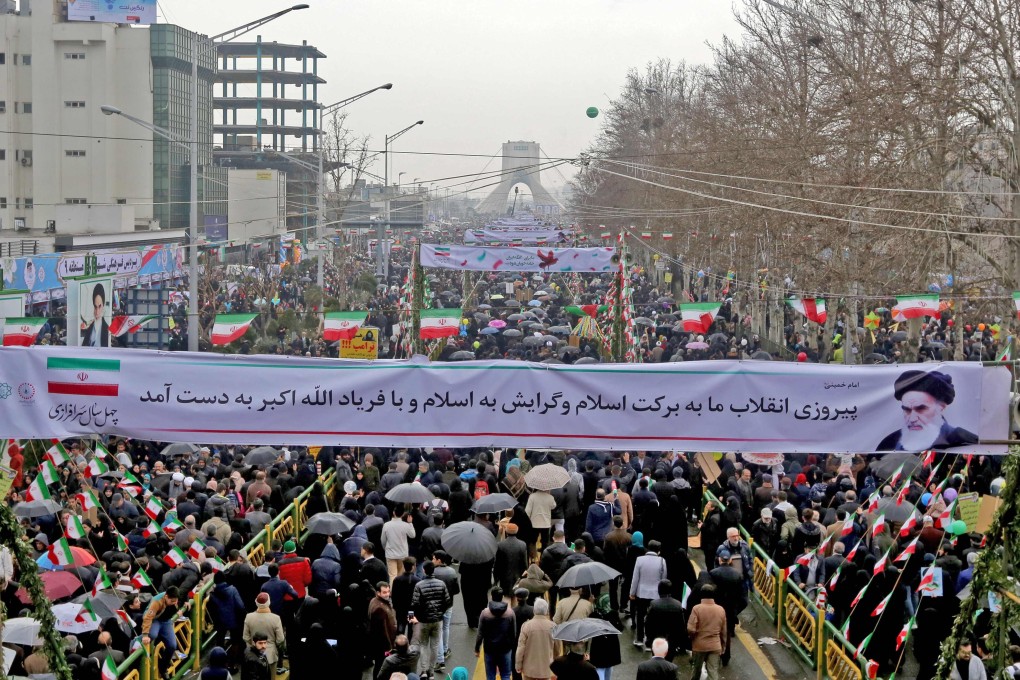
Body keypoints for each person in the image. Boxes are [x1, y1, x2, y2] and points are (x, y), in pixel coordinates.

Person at [876, 370, 978, 451]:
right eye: (907, 410)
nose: (912, 419)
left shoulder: (963, 441)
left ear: (941, 407)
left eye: (921, 409)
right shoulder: (889, 444)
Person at [411, 560, 453, 677]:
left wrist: (416, 617)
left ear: (424, 570)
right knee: (434, 646)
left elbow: (414, 604)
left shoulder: (419, 585)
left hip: (424, 620)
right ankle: (431, 671)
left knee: (424, 645)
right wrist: (440, 613)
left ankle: (423, 670)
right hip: (437, 620)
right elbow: (447, 602)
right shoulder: (441, 584)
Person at [142, 586, 190, 680]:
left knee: (172, 645)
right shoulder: (156, 602)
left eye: (176, 601)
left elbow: (185, 591)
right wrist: (144, 635)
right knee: (152, 634)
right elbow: (148, 618)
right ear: (166, 597)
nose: (174, 603)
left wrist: (187, 601)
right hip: (155, 620)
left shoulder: (174, 596)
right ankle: (138, 640)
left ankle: (163, 668)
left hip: (166, 621)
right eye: (172, 601)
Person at [630, 539, 667, 648]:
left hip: (641, 593)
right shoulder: (662, 561)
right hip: (656, 594)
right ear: (658, 550)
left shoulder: (639, 560)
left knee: (640, 616)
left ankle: (640, 638)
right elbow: (663, 579)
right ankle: (651, 642)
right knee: (653, 619)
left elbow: (635, 578)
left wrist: (632, 592)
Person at [475, 587, 517, 680]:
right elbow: (513, 633)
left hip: (489, 649)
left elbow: (480, 633)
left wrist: (477, 648)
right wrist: (512, 648)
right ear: (502, 597)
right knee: (506, 675)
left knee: (490, 676)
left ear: (491, 596)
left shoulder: (485, 613)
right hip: (505, 649)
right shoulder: (510, 612)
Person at [688, 584, 727, 680]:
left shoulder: (696, 609)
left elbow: (691, 629)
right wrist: (723, 645)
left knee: (696, 671)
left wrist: (693, 638)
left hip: (699, 645)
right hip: (715, 645)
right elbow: (724, 631)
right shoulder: (720, 609)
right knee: (713, 671)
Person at [242, 593, 286, 676]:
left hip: (253, 656)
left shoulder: (249, 617)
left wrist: (253, 645)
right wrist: (273, 645)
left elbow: (245, 637)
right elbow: (280, 639)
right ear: (269, 602)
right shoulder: (275, 618)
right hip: (271, 655)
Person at [644, 580, 688, 659]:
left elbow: (648, 623)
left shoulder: (654, 604)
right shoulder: (678, 605)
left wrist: (648, 638)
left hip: (657, 639)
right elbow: (681, 625)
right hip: (672, 640)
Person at [515, 598, 555, 680]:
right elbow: (557, 649)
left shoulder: (526, 626)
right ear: (546, 611)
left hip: (529, 669)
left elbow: (520, 649)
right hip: (546, 667)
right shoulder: (553, 627)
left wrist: (518, 664)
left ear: (534, 610)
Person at [368, 581, 398, 679]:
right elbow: (383, 631)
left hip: (379, 645)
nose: (387, 594)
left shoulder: (375, 601)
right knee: (381, 667)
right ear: (378, 593)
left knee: (379, 666)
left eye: (388, 591)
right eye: (384, 592)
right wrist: (389, 648)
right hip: (382, 647)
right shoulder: (379, 608)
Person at [382, 510, 417, 583]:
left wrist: (385, 548)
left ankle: (392, 592)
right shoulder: (405, 525)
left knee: (392, 575)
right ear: (402, 514)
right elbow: (413, 535)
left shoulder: (386, 525)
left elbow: (383, 539)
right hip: (402, 553)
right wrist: (410, 523)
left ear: (394, 512)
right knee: (401, 575)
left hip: (390, 553)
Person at [494, 523, 530, 594]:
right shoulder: (522, 544)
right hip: (518, 576)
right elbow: (524, 564)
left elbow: (497, 564)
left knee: (506, 597)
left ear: (506, 532)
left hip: (504, 577)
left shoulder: (500, 545)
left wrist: (496, 578)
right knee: (516, 596)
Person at [81, 282, 110, 347]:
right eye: (95, 307)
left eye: (99, 306)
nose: (97, 312)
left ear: (103, 306)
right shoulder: (89, 327)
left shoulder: (107, 329)